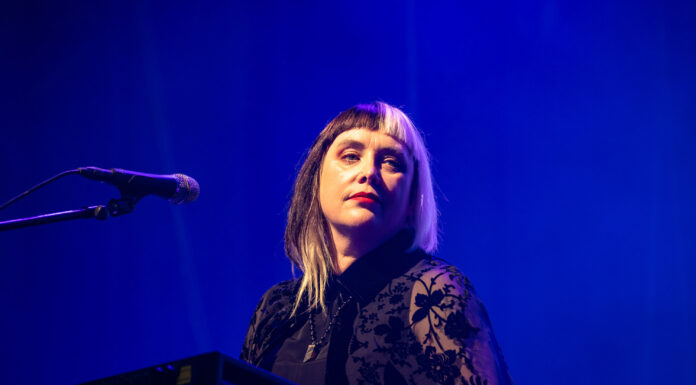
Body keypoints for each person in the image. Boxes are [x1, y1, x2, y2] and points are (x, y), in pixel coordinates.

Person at [240, 102, 513, 385]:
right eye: (350, 156)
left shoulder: (433, 293)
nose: (369, 172)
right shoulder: (276, 307)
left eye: (391, 162)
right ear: (316, 179)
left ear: (412, 198)